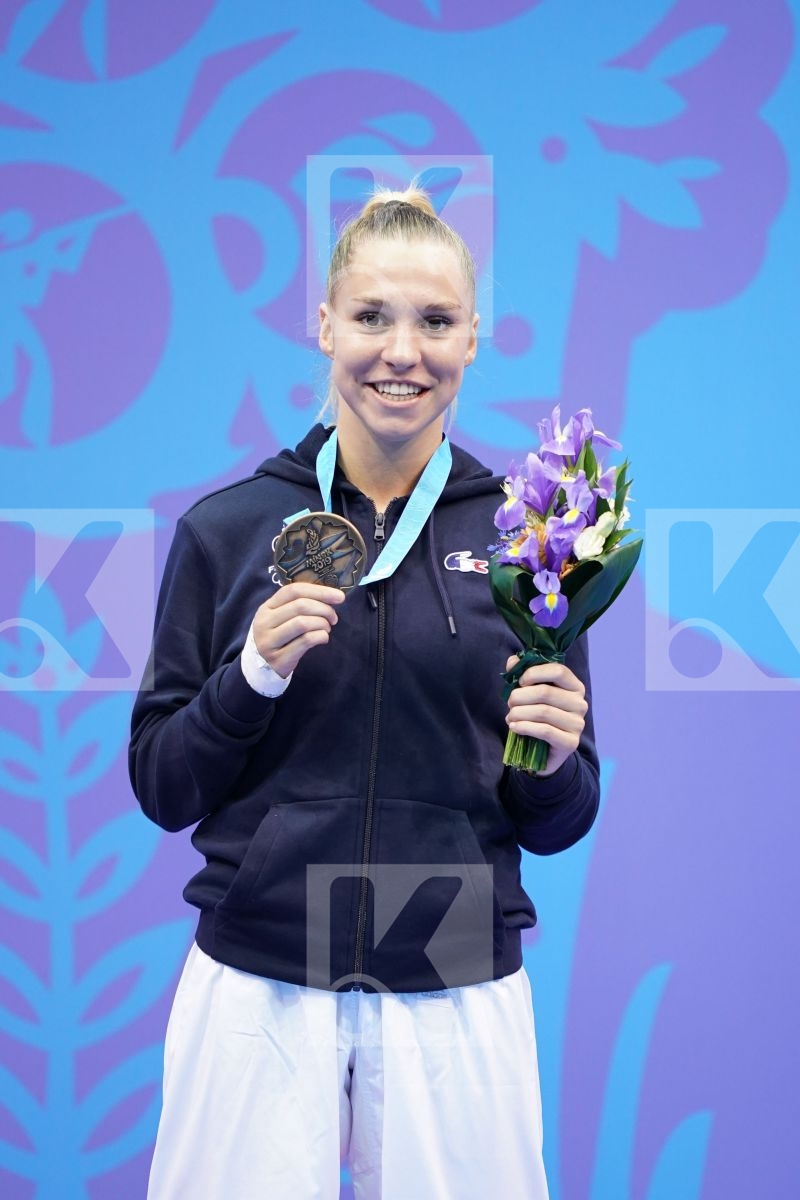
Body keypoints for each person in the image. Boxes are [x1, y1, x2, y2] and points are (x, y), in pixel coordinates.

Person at [129, 184, 600, 1200]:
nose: (401, 351)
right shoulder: (227, 529)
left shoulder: (530, 543)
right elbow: (163, 786)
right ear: (324, 325)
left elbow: (554, 818)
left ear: (472, 338)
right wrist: (248, 677)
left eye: (434, 322)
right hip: (260, 975)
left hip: (455, 976)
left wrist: (556, 762)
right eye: (371, 318)